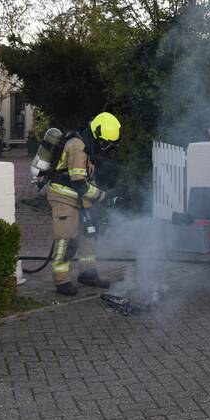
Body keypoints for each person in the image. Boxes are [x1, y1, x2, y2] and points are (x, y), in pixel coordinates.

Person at [46, 112, 121, 296]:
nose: (105, 146)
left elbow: (87, 179)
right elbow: (79, 183)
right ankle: (62, 281)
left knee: (89, 234)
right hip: (64, 197)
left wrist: (103, 195)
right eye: (105, 142)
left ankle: (88, 273)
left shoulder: (88, 145)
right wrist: (103, 197)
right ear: (97, 131)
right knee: (67, 239)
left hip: (79, 198)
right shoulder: (77, 146)